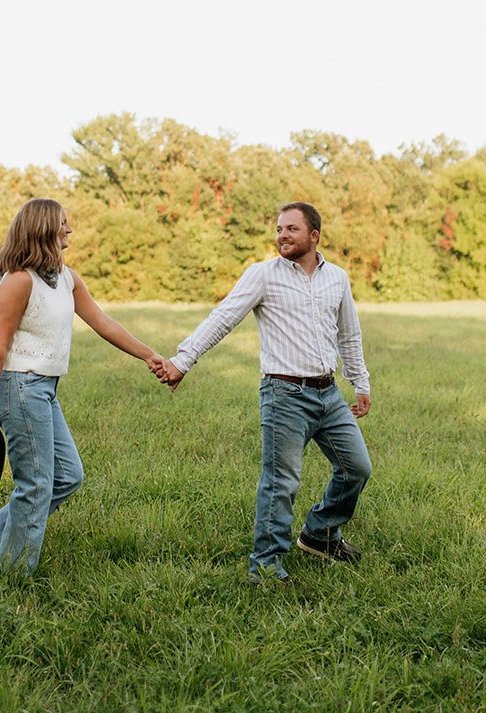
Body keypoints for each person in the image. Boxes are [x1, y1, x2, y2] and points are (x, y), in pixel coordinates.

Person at [151, 201, 372, 583]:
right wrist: (182, 361)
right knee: (281, 482)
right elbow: (221, 319)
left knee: (357, 468)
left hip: (329, 395)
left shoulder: (337, 277)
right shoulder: (262, 275)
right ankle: (266, 566)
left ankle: (319, 533)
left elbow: (349, 333)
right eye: (278, 229)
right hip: (284, 394)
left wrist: (360, 381)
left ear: (314, 236)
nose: (282, 235)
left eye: (291, 229)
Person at [0, 197, 164, 577]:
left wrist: (148, 355)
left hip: (44, 389)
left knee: (67, 476)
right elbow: (0, 343)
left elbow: (102, 322)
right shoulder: (18, 280)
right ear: (44, 228)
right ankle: (12, 577)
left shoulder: (65, 277)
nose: (70, 229)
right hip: (20, 387)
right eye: (64, 222)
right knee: (37, 484)